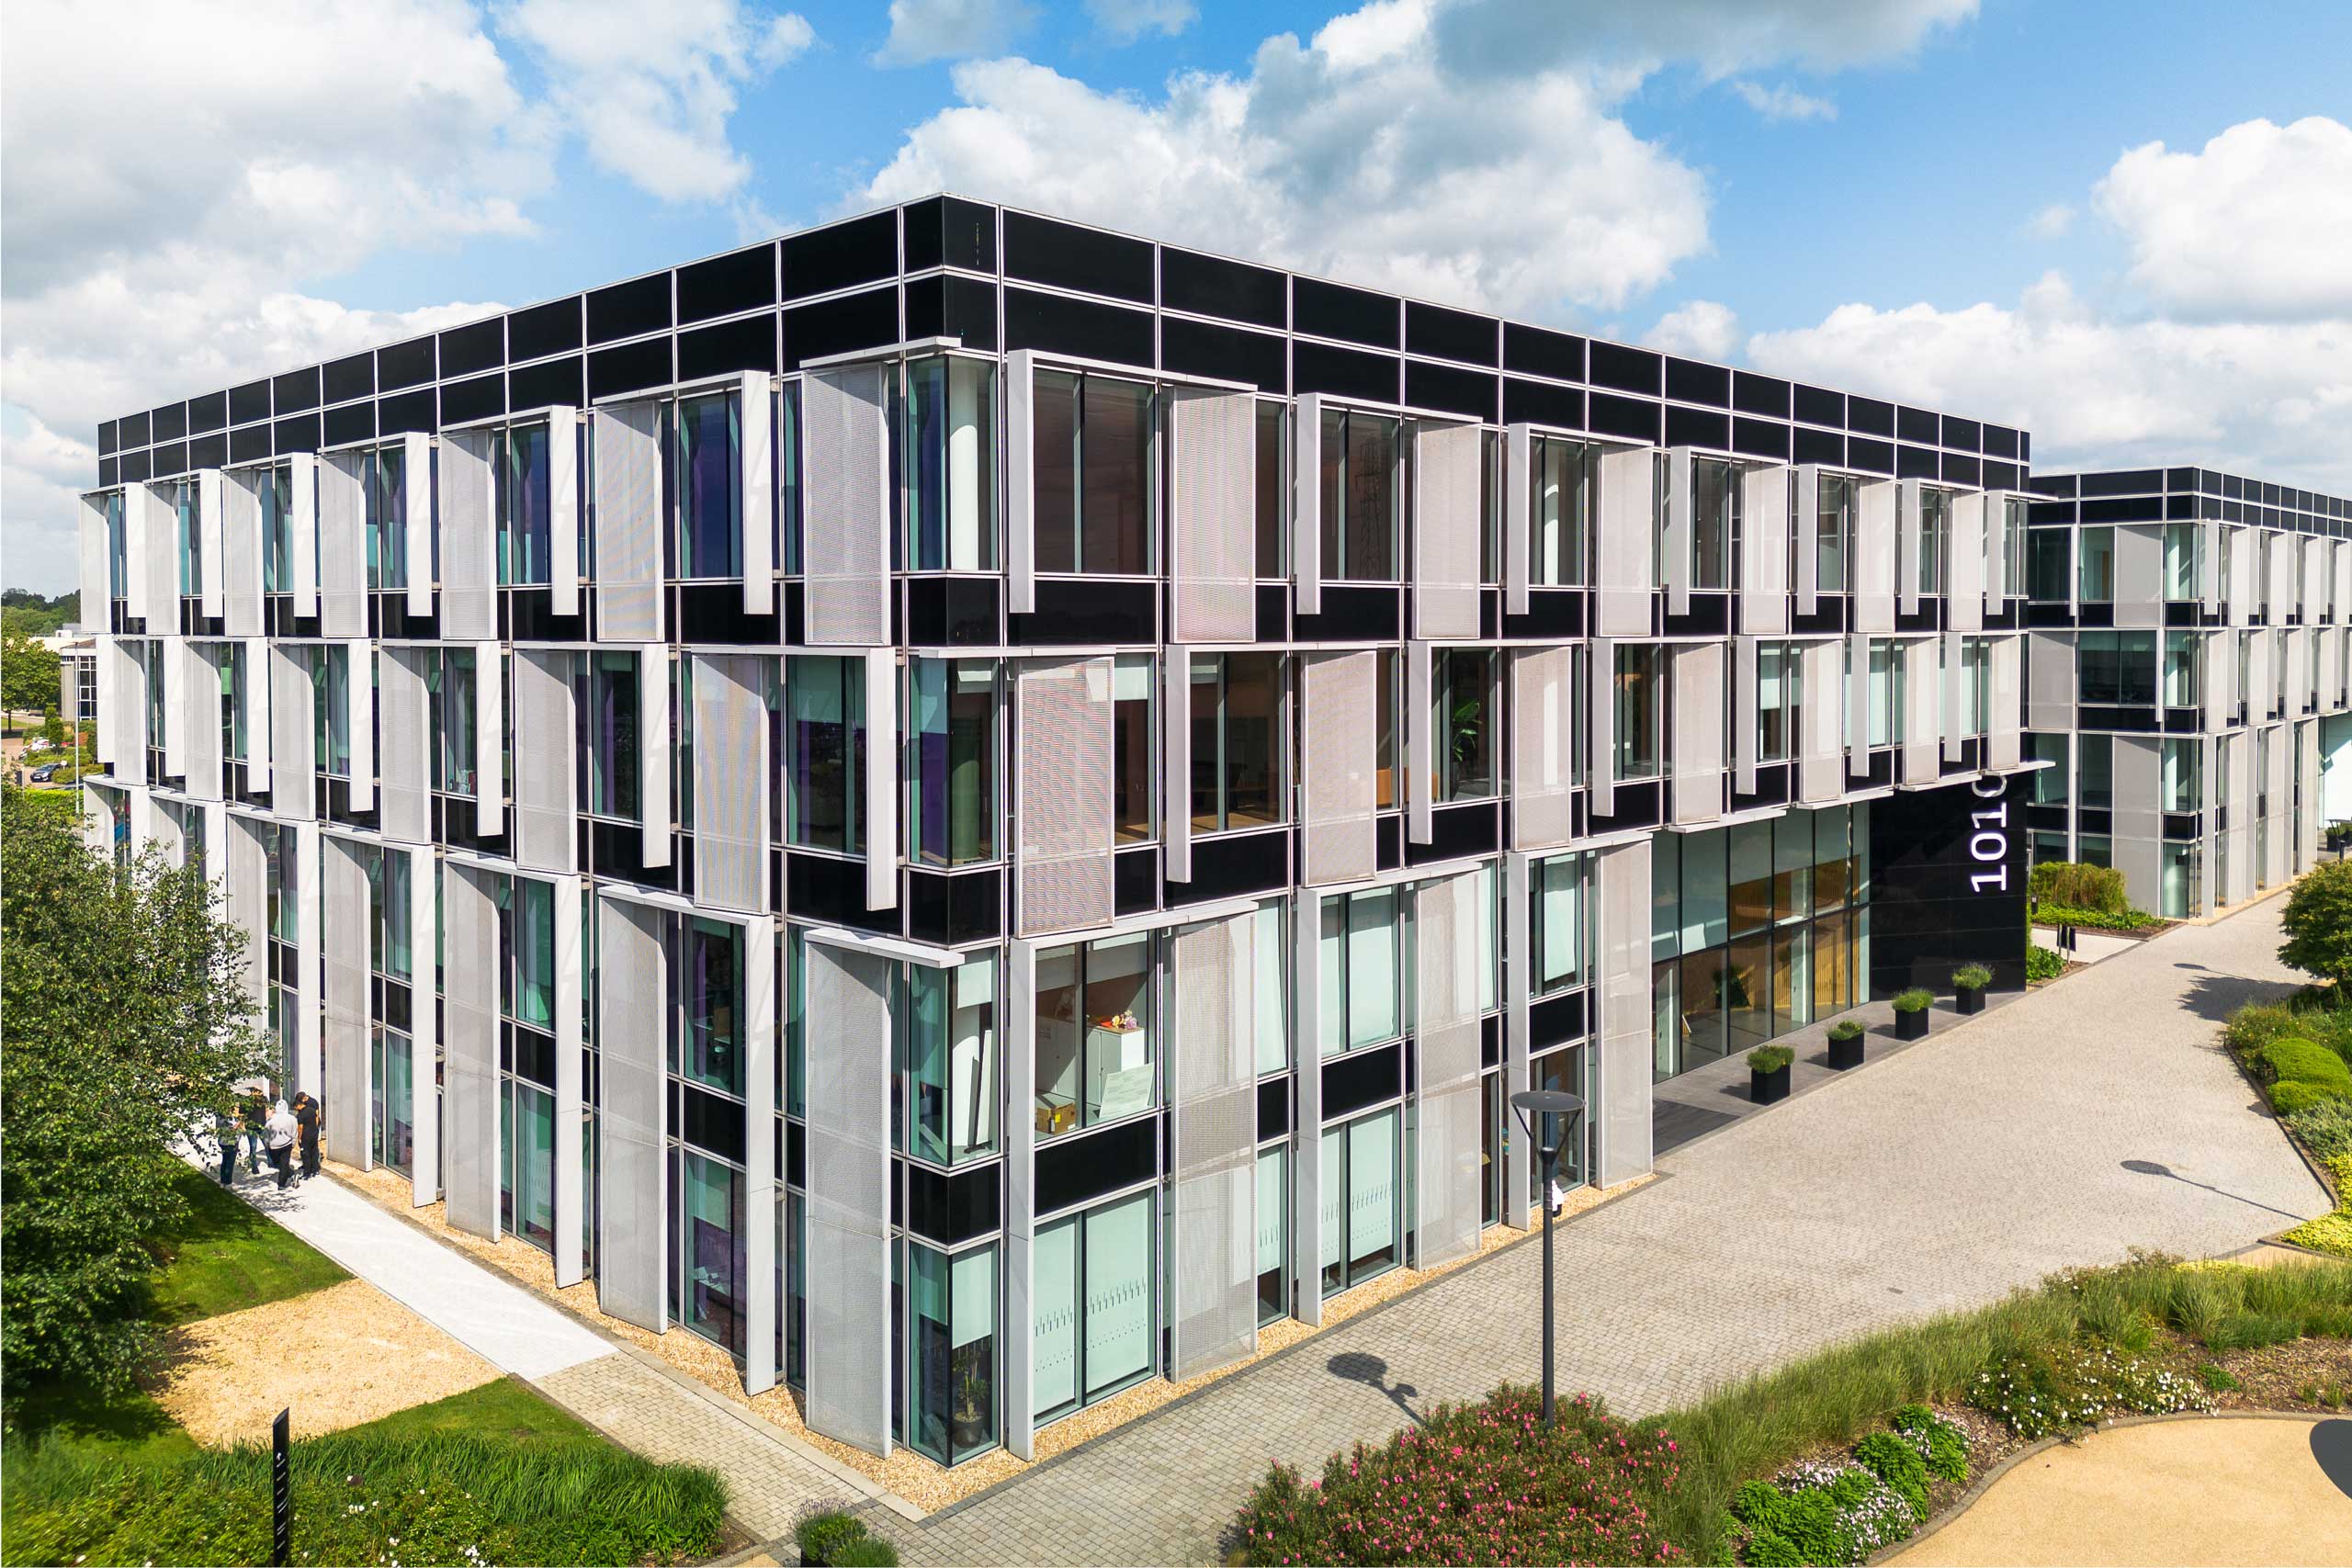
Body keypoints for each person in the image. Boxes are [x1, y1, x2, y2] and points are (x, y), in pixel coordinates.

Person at [265, 1098, 299, 1190]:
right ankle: (290, 1173)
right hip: (286, 1144)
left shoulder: (270, 1120)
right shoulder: (292, 1119)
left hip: (275, 1145)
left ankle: (281, 1184)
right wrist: (293, 1143)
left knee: (281, 1164)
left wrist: (267, 1143)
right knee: (282, 1164)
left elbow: (266, 1133)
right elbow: (294, 1133)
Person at [293, 1091, 322, 1182]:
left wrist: (299, 1138)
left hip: (306, 1136)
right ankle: (315, 1170)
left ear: (298, 1106)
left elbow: (300, 1128)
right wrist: (316, 1128)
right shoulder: (311, 1110)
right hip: (314, 1134)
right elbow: (316, 1117)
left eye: (295, 1108)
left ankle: (307, 1173)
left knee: (305, 1154)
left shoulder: (300, 1116)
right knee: (314, 1151)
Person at [241, 1088, 270, 1175]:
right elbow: (242, 1114)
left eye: (261, 1091)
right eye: (259, 1091)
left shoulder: (264, 1100)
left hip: (262, 1126)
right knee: (253, 1147)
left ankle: (271, 1163)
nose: (261, 1093)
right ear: (253, 1092)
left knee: (267, 1145)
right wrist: (242, 1125)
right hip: (251, 1127)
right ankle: (254, 1167)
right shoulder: (246, 1101)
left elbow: (267, 1109)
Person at [213, 1104, 241, 1188]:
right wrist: (238, 1123)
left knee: (225, 1161)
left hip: (222, 1142)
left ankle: (222, 1181)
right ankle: (228, 1182)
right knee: (230, 1162)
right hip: (231, 1142)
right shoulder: (228, 1119)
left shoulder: (218, 1117)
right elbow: (232, 1129)